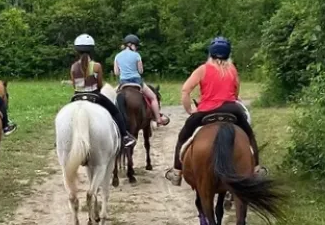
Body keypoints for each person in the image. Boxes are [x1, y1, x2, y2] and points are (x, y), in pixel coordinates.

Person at [164, 37, 263, 186]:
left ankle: (177, 172)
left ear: (211, 53)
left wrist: (190, 110)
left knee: (183, 136)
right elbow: (236, 94)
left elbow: (185, 90)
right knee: (249, 135)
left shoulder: (203, 69)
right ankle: (256, 169)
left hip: (206, 110)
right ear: (228, 53)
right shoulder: (232, 70)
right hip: (232, 109)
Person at [71, 34, 136, 149]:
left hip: (77, 96)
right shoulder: (96, 66)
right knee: (115, 111)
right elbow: (99, 85)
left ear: (77, 50)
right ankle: (125, 136)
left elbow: (74, 85)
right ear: (92, 50)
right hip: (94, 95)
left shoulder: (73, 67)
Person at [113, 34, 169, 126]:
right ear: (130, 45)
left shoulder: (117, 56)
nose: (136, 48)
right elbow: (141, 71)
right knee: (153, 97)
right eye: (136, 46)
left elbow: (116, 73)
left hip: (123, 83)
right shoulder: (136, 55)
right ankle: (158, 118)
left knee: (113, 99)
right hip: (136, 82)